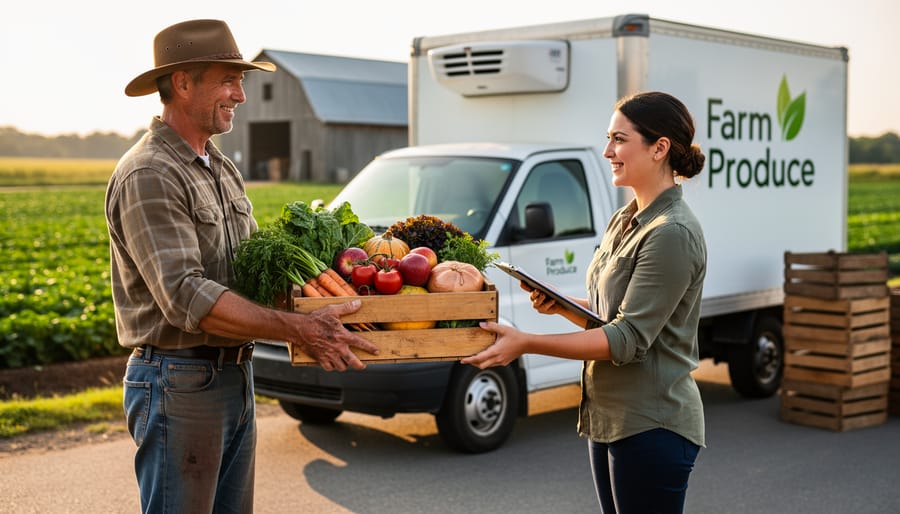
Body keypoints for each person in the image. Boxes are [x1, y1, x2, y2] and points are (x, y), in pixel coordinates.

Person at [106, 19, 379, 513]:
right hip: (179, 381)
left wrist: (331, 306)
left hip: (234, 375)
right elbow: (187, 296)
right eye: (228, 80)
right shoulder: (150, 172)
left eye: (242, 82)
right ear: (183, 82)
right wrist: (299, 329)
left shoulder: (221, 167)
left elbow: (250, 275)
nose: (241, 95)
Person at [463, 91, 707, 513]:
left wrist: (527, 342)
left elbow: (627, 338)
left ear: (659, 148)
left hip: (653, 426)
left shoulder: (671, 233)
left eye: (619, 139)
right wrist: (562, 306)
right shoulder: (624, 219)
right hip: (610, 420)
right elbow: (610, 315)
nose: (608, 151)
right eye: (608, 138)